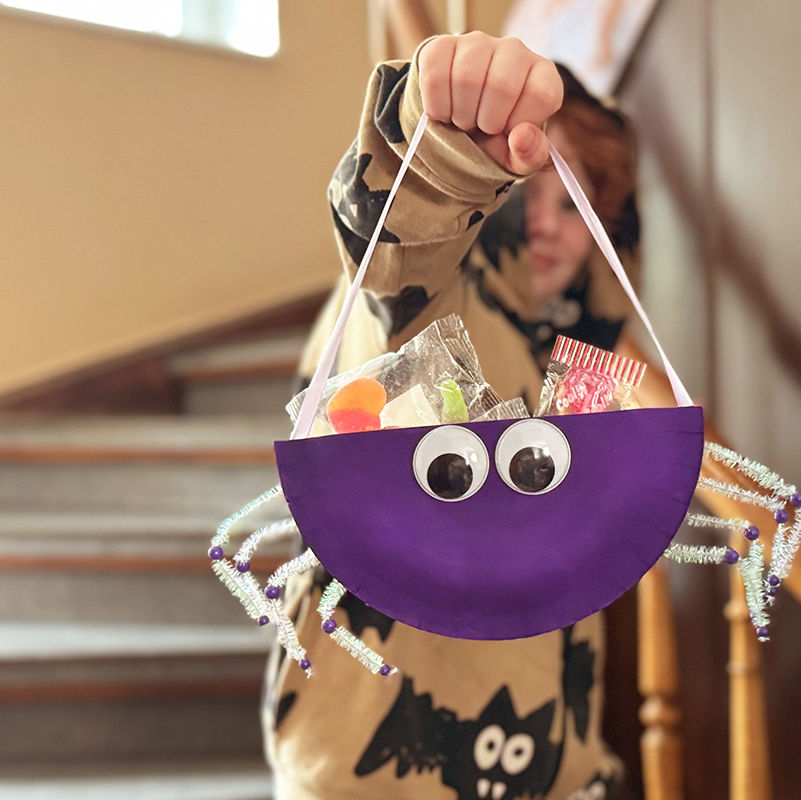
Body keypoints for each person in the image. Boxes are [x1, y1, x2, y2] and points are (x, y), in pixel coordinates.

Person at [263, 32, 642, 800]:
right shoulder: (430, 313)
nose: (548, 223)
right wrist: (449, 147)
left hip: (549, 766)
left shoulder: (575, 368)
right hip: (372, 770)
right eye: (533, 188)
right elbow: (399, 256)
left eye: (576, 203)